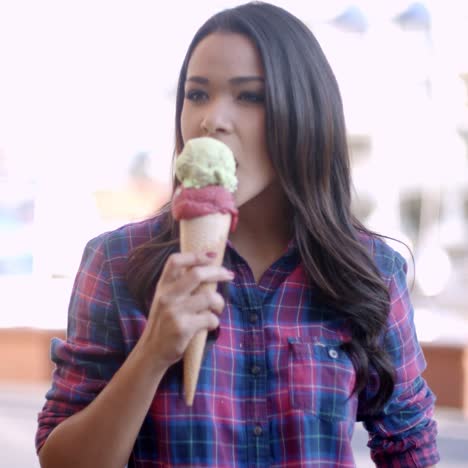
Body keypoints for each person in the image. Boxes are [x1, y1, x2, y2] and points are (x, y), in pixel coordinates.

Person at [36, 2, 439, 467]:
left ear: (303, 113)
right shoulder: (117, 262)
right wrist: (152, 353)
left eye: (249, 97)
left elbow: (410, 445)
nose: (212, 120)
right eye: (197, 94)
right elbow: (60, 460)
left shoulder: (370, 270)